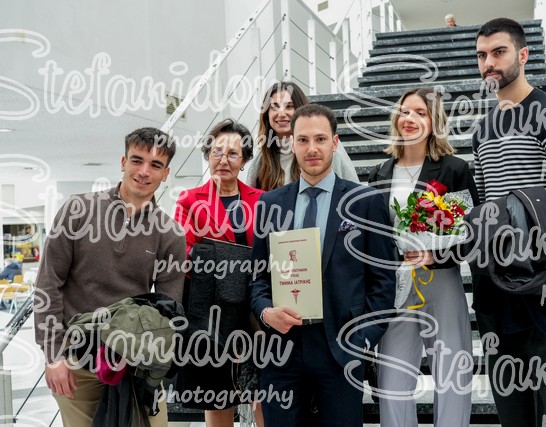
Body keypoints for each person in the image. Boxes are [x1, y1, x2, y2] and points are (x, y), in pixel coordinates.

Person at [472, 18, 546, 426]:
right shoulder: (482, 130)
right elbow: (483, 205)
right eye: (481, 55)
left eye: (498, 52)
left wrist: (508, 224)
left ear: (523, 55)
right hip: (496, 287)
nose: (489, 63)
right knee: (514, 415)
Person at [250, 104, 397, 427]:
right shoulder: (270, 204)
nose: (312, 149)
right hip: (282, 348)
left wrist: (362, 339)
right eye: (303, 140)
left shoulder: (365, 202)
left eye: (320, 139)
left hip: (341, 349)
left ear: (335, 142)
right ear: (292, 144)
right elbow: (258, 278)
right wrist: (266, 312)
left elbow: (384, 282)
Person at [34, 127, 186, 426]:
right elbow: (48, 284)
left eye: (155, 165)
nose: (144, 172)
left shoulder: (169, 233)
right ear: (123, 162)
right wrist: (53, 355)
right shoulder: (78, 210)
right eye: (137, 160)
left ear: (166, 173)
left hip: (134, 364)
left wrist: (152, 368)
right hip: (76, 363)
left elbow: (167, 310)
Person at [368, 87, 477, 427]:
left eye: (420, 112)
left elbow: (470, 233)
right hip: (397, 283)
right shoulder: (379, 173)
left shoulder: (454, 169)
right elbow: (373, 235)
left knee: (451, 371)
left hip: (441, 279)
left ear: (434, 121)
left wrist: (436, 252)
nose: (410, 118)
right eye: (405, 111)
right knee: (392, 378)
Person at [174, 119, 264, 427]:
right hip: (210, 311)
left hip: (253, 306)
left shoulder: (261, 200)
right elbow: (184, 253)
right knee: (216, 394)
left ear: (245, 160)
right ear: (207, 155)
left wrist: (214, 252)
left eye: (233, 154)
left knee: (261, 390)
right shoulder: (189, 200)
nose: (223, 160)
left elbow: (268, 251)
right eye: (217, 152)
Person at [245, 81, 359, 190]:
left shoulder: (326, 147)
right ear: (267, 114)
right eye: (274, 107)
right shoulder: (261, 157)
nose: (281, 113)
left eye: (289, 106)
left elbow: (354, 190)